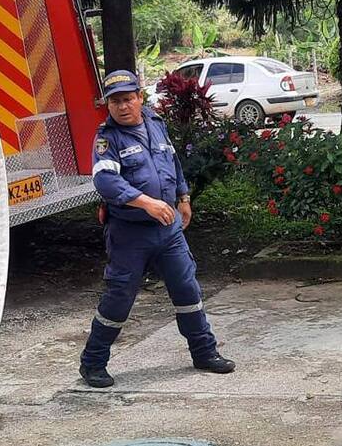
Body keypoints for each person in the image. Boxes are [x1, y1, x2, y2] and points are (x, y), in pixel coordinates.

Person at [79, 69, 235, 387]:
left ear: (140, 98)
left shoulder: (155, 125)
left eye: (128, 99)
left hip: (169, 230)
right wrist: (146, 202)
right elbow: (105, 181)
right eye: (115, 102)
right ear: (108, 106)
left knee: (187, 290)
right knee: (119, 298)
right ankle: (93, 363)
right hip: (129, 233)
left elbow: (172, 164)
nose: (122, 106)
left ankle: (204, 353)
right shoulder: (107, 139)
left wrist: (184, 196)